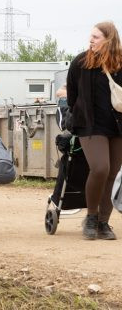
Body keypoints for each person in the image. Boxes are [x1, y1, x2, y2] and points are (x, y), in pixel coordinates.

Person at [67, 21, 122, 240]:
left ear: (109, 39)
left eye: (96, 37)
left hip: (117, 125)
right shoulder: (81, 62)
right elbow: (72, 94)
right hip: (89, 125)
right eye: (90, 37)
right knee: (100, 168)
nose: (91, 41)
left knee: (111, 175)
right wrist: (78, 112)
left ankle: (103, 223)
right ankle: (90, 217)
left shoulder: (120, 63)